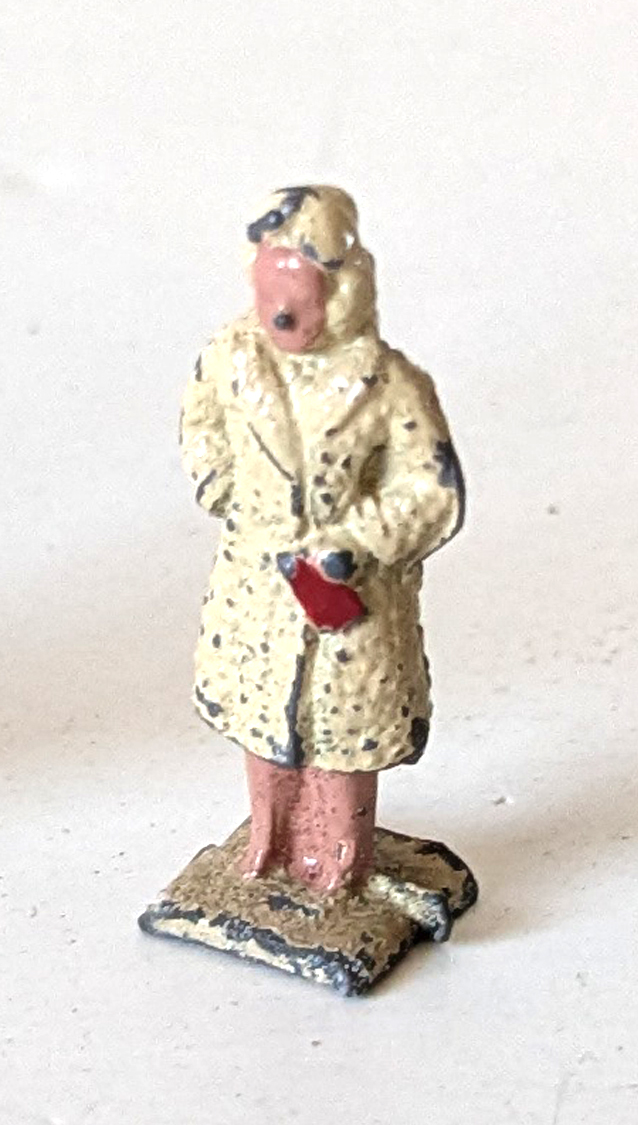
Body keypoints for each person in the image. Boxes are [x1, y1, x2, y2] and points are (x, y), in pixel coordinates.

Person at [178, 185, 466, 893]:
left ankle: (337, 859)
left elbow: (432, 488)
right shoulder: (231, 359)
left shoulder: (387, 383)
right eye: (270, 296)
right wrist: (221, 485)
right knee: (260, 713)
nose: (282, 315)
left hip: (344, 587)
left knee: (340, 728)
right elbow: (201, 423)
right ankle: (268, 840)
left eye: (300, 300)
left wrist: (357, 544)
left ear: (340, 293)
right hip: (259, 579)